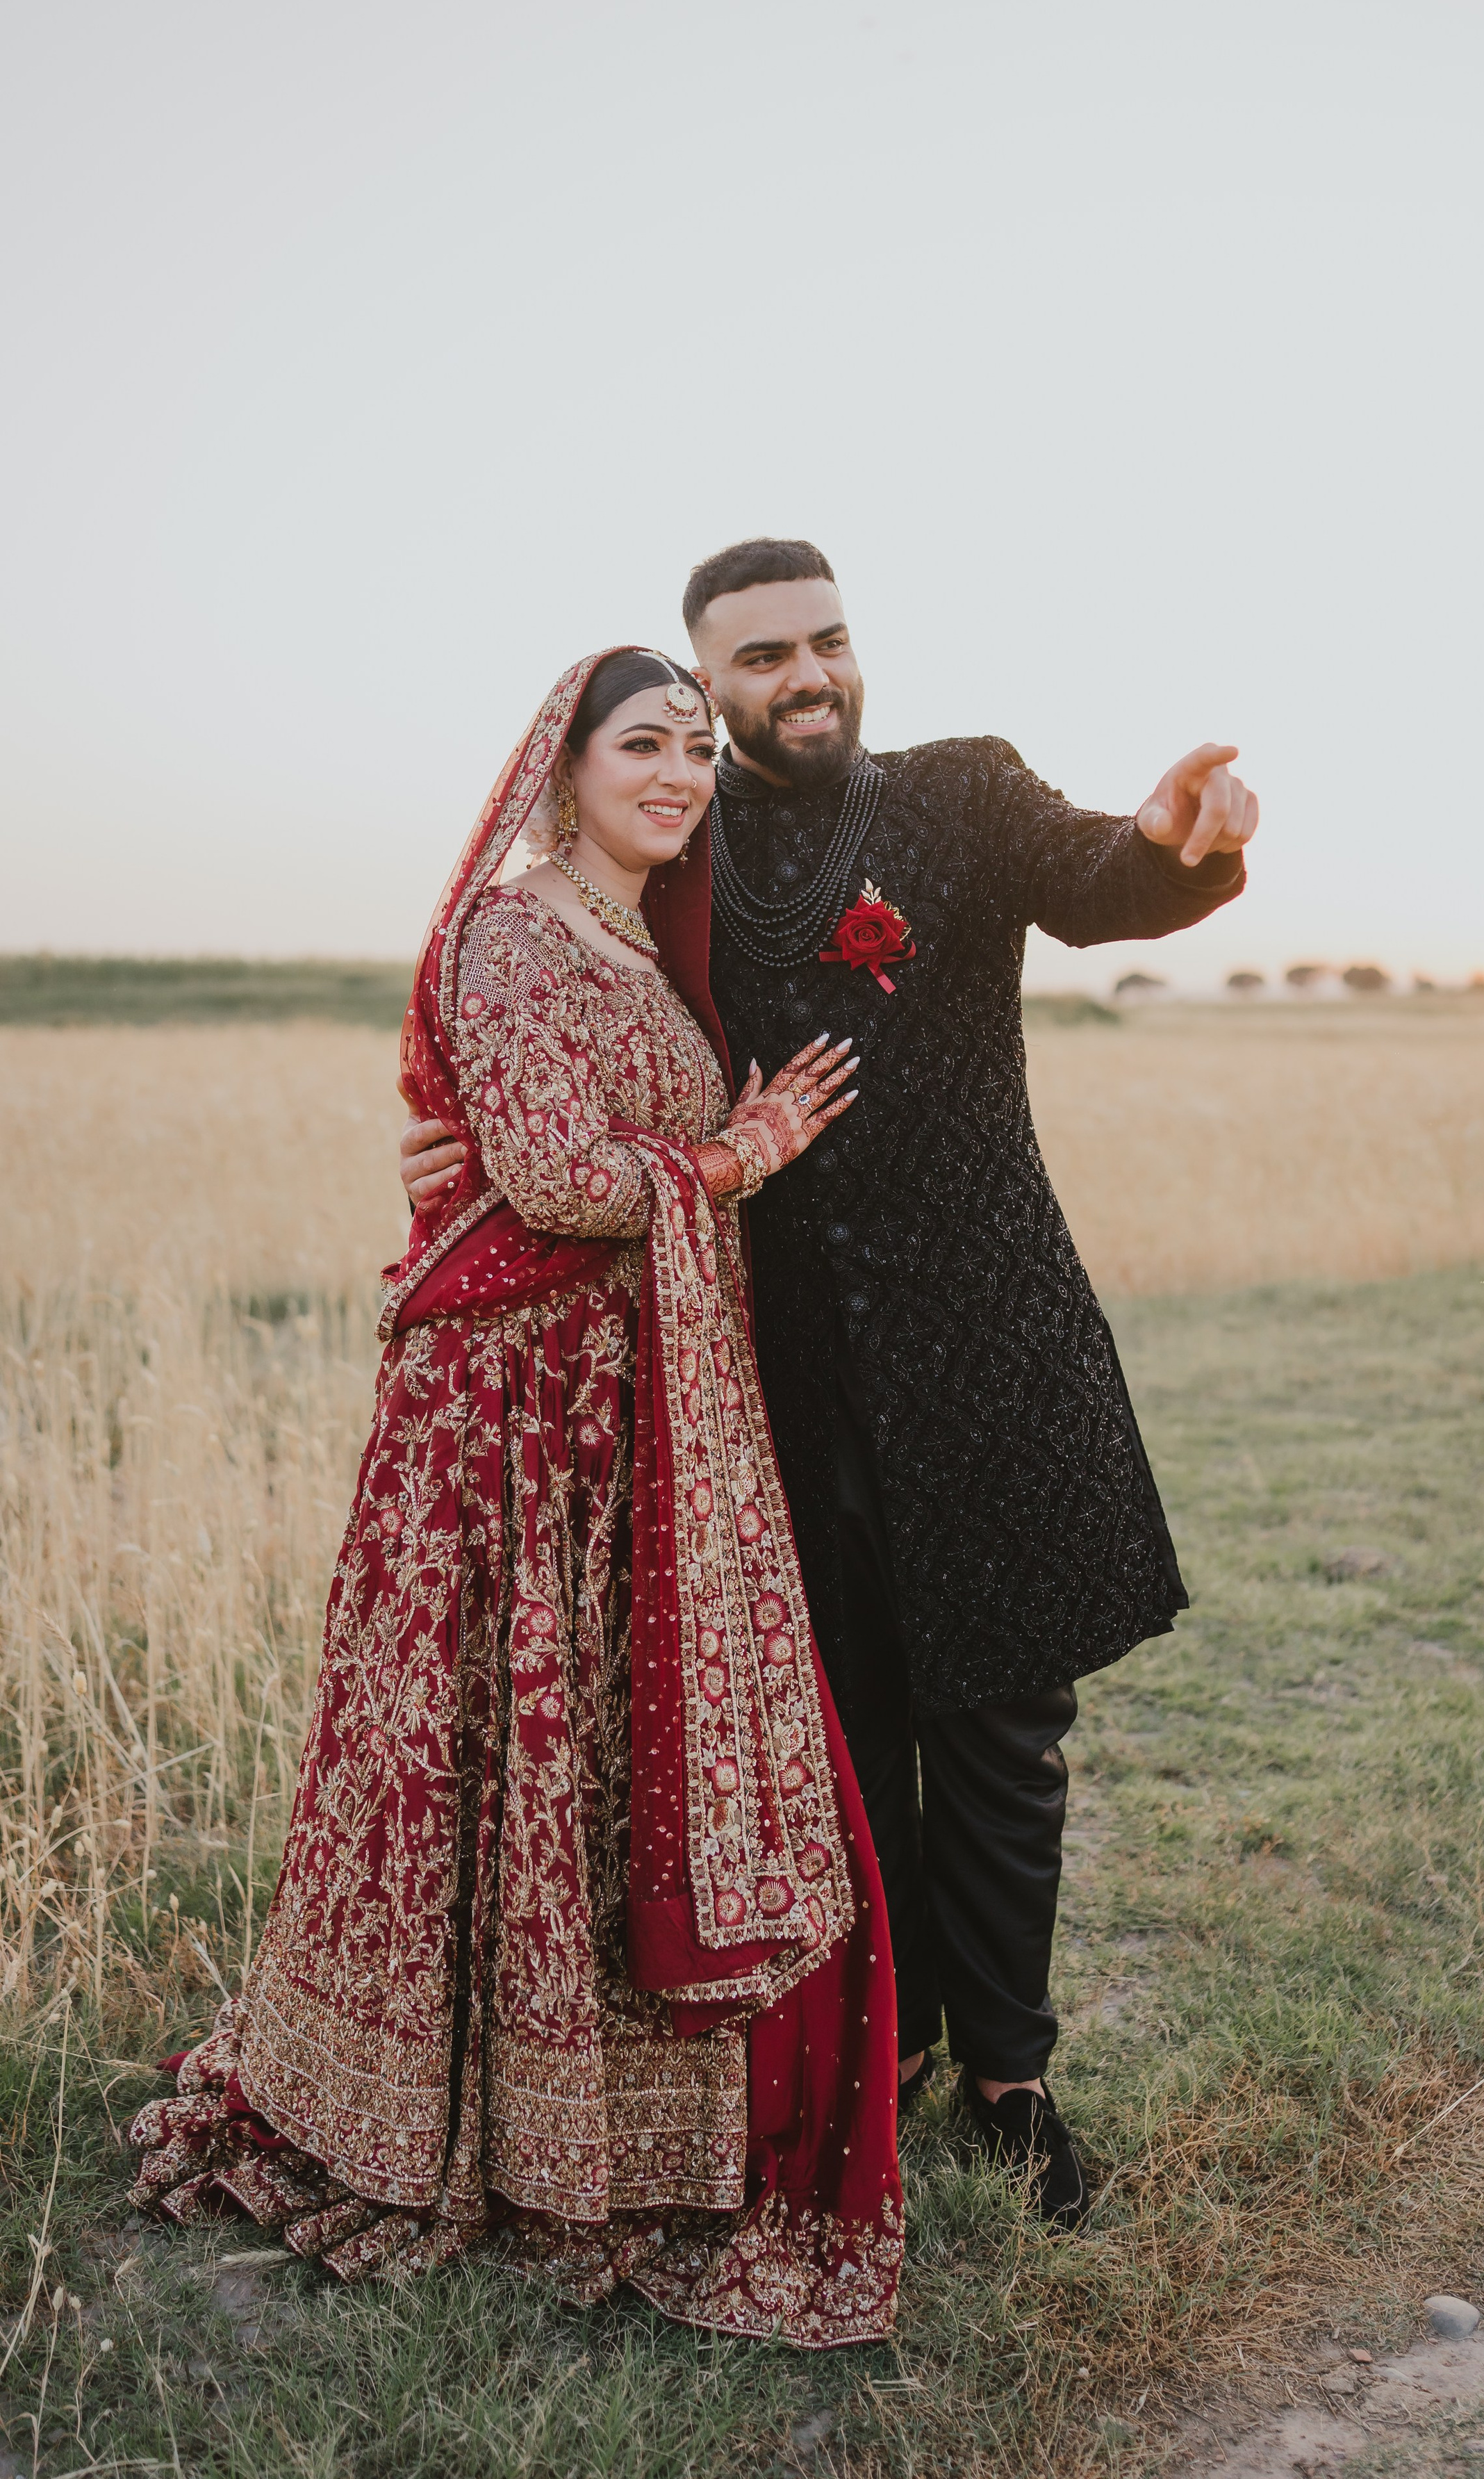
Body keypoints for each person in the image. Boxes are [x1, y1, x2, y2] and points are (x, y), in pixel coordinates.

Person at [403, 548, 1257, 2226]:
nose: (805, 674)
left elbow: (1101, 876)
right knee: (842, 1735)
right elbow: (528, 997)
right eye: (761, 656)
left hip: (993, 1348)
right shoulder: (664, 838)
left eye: (828, 640)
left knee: (1006, 1735)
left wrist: (1171, 841)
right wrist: (463, 1143)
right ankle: (894, 2048)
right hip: (769, 1378)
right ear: (705, 684)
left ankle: (1011, 2080)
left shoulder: (962, 796)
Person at [132, 646, 903, 2348]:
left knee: (589, 1758)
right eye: (648, 743)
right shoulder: (515, 931)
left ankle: (601, 2123)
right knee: (503, 1738)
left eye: (697, 750)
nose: (683, 773)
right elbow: (553, 1177)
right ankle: (456, 2118)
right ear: (563, 764)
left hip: (624, 1400)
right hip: (511, 1422)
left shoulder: (642, 931)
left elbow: (533, 1152)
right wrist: (743, 1152)